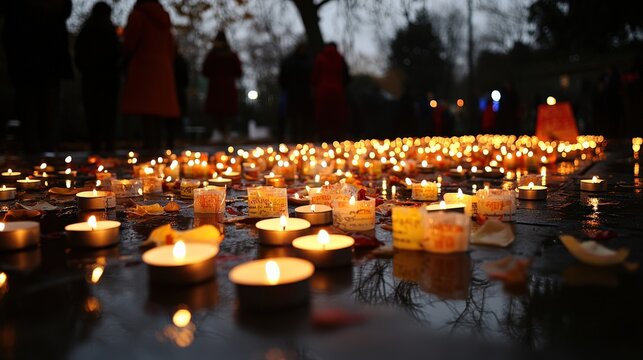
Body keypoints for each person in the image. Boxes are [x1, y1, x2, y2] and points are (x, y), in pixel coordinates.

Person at [2, 0, 73, 154]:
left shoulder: (19, 13)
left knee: (35, 108)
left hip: (29, 62)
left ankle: (39, 147)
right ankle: (42, 147)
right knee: (39, 107)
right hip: (39, 62)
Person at [121, 0, 179, 151]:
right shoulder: (165, 22)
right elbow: (171, 47)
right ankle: (156, 145)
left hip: (144, 68)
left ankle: (149, 146)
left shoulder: (138, 16)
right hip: (162, 69)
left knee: (146, 111)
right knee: (158, 111)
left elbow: (129, 43)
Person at [74, 1, 120, 154]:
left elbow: (79, 55)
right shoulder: (110, 31)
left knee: (93, 113)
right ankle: (108, 144)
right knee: (108, 114)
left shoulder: (86, 31)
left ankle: (96, 145)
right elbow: (118, 53)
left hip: (91, 79)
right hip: (108, 80)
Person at [201, 30, 243, 143]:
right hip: (227, 89)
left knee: (219, 113)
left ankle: (221, 133)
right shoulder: (231, 55)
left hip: (216, 89)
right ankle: (224, 134)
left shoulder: (212, 55)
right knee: (225, 114)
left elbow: (205, 71)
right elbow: (239, 72)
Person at [311, 42, 350, 141]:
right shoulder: (340, 58)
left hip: (322, 90)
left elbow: (315, 76)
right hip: (337, 90)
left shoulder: (320, 58)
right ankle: (337, 138)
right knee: (336, 115)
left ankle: (323, 138)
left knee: (323, 115)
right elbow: (346, 76)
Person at [278, 42, 312, 142]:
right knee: (299, 117)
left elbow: (282, 78)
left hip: (293, 93)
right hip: (300, 93)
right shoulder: (307, 62)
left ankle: (297, 139)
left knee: (295, 117)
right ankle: (301, 139)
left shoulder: (289, 61)